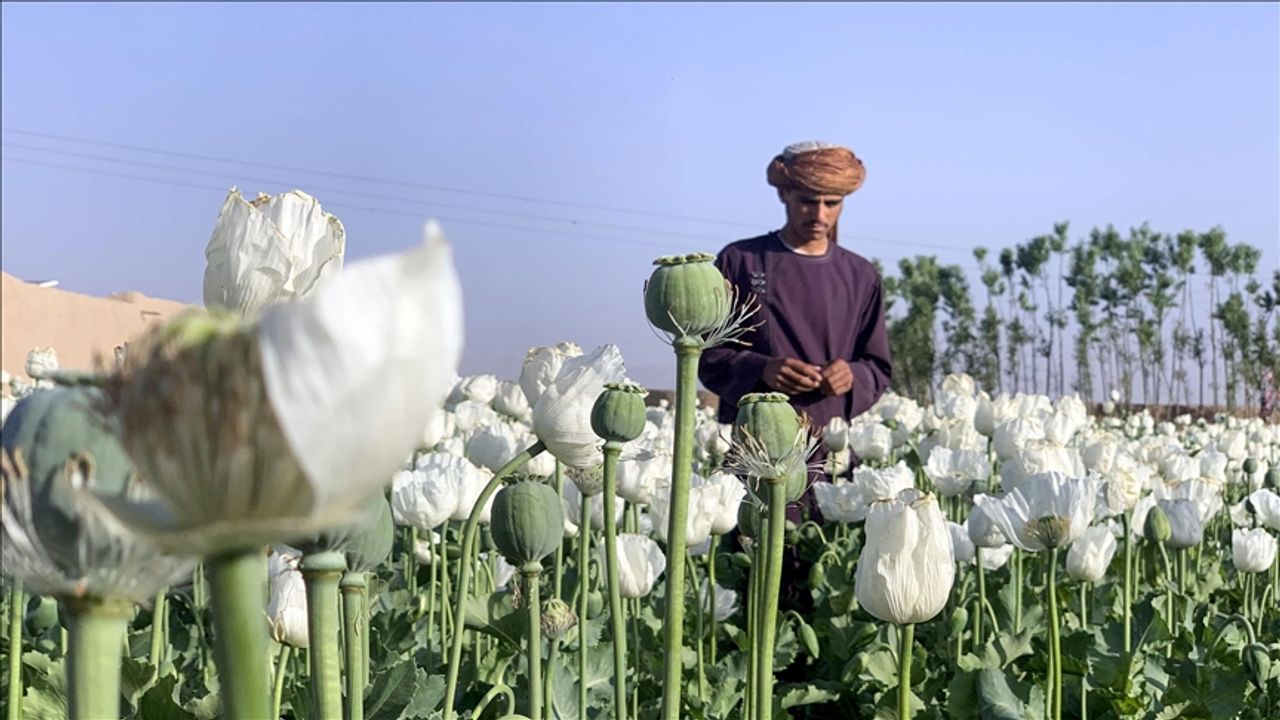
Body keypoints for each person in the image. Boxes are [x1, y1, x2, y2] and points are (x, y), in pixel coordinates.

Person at [699, 140, 893, 517]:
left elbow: (878, 367)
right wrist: (762, 370)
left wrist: (849, 375)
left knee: (824, 560)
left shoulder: (860, 275)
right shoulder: (740, 261)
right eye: (807, 200)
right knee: (752, 563)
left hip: (830, 452)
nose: (819, 214)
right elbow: (707, 355)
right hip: (756, 451)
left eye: (831, 203)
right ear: (784, 194)